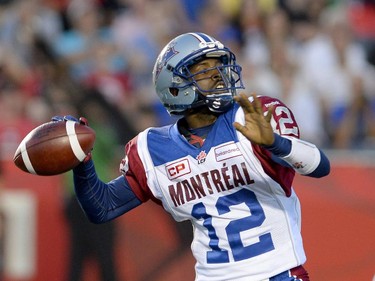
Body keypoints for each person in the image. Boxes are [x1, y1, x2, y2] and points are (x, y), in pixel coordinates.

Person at [61, 32, 330, 281]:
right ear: (175, 86)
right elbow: (102, 207)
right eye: (204, 69)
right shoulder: (152, 149)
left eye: (219, 66)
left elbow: (320, 166)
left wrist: (276, 143)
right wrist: (81, 162)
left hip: (276, 273)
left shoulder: (253, 116)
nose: (218, 75)